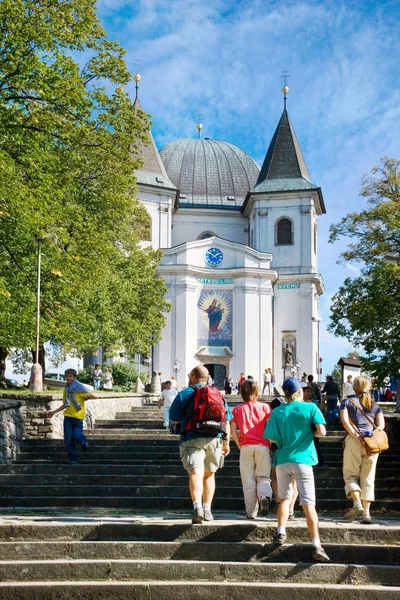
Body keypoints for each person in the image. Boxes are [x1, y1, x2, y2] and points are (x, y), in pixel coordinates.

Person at [265, 377, 329, 562]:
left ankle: (281, 531)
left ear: (284, 393)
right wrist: (309, 433)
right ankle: (316, 543)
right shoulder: (310, 408)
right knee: (308, 504)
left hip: (283, 459)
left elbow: (271, 439)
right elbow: (322, 432)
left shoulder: (277, 412)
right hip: (303, 458)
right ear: (299, 392)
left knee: (284, 499)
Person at [169, 365, 232, 524]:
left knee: (195, 473)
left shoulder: (184, 394)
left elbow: (173, 418)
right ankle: (207, 510)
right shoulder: (217, 394)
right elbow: (226, 421)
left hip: (192, 438)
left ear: (192, 377)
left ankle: (197, 507)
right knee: (209, 474)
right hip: (215, 439)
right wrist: (226, 443)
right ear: (208, 378)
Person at [339, 376, 385, 524]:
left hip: (354, 441)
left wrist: (356, 436)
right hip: (371, 444)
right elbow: (381, 426)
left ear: (354, 387)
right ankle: (366, 513)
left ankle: (357, 503)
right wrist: (371, 435)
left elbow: (345, 422)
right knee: (369, 478)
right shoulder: (375, 406)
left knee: (350, 474)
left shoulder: (347, 402)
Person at [230, 379, 272, 519]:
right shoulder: (265, 407)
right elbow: (270, 428)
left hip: (246, 446)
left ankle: (251, 512)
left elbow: (233, 430)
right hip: (262, 446)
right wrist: (270, 444)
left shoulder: (237, 409)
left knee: (248, 480)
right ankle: (264, 496)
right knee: (263, 476)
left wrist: (239, 444)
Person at [45, 369, 100, 464]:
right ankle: (74, 460)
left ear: (74, 377)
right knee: (68, 441)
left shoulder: (79, 388)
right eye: (67, 376)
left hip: (78, 417)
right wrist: (53, 412)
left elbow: (87, 395)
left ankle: (84, 442)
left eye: (70, 376)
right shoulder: (66, 390)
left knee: (77, 436)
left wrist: (92, 396)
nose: (68, 378)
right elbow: (65, 404)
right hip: (68, 418)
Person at [303, 384, 324, 467]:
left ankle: (319, 461)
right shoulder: (300, 403)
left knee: (316, 445)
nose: (309, 393)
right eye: (307, 391)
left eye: (311, 392)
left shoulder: (312, 403)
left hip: (312, 428)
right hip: (304, 429)